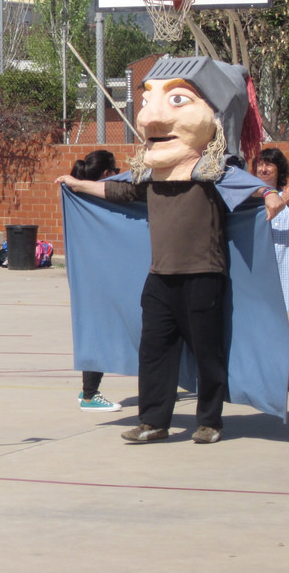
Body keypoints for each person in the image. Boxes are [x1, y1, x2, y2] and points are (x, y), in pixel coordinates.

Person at [57, 56, 285, 445]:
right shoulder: (151, 174)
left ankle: (210, 421)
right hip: (160, 277)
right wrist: (78, 186)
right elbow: (119, 189)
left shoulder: (215, 171)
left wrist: (269, 195)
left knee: (207, 353)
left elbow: (250, 188)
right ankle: (154, 421)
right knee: (155, 353)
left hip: (204, 275)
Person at [68, 150, 122, 413]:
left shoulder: (79, 196)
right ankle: (90, 394)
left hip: (91, 273)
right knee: (99, 331)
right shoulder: (97, 198)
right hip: (100, 276)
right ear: (105, 174)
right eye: (114, 169)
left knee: (98, 329)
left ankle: (88, 391)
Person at [253, 146, 289, 309]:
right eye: (260, 165)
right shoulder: (249, 202)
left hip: (284, 279)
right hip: (258, 279)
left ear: (279, 169)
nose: (263, 169)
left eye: (268, 165)